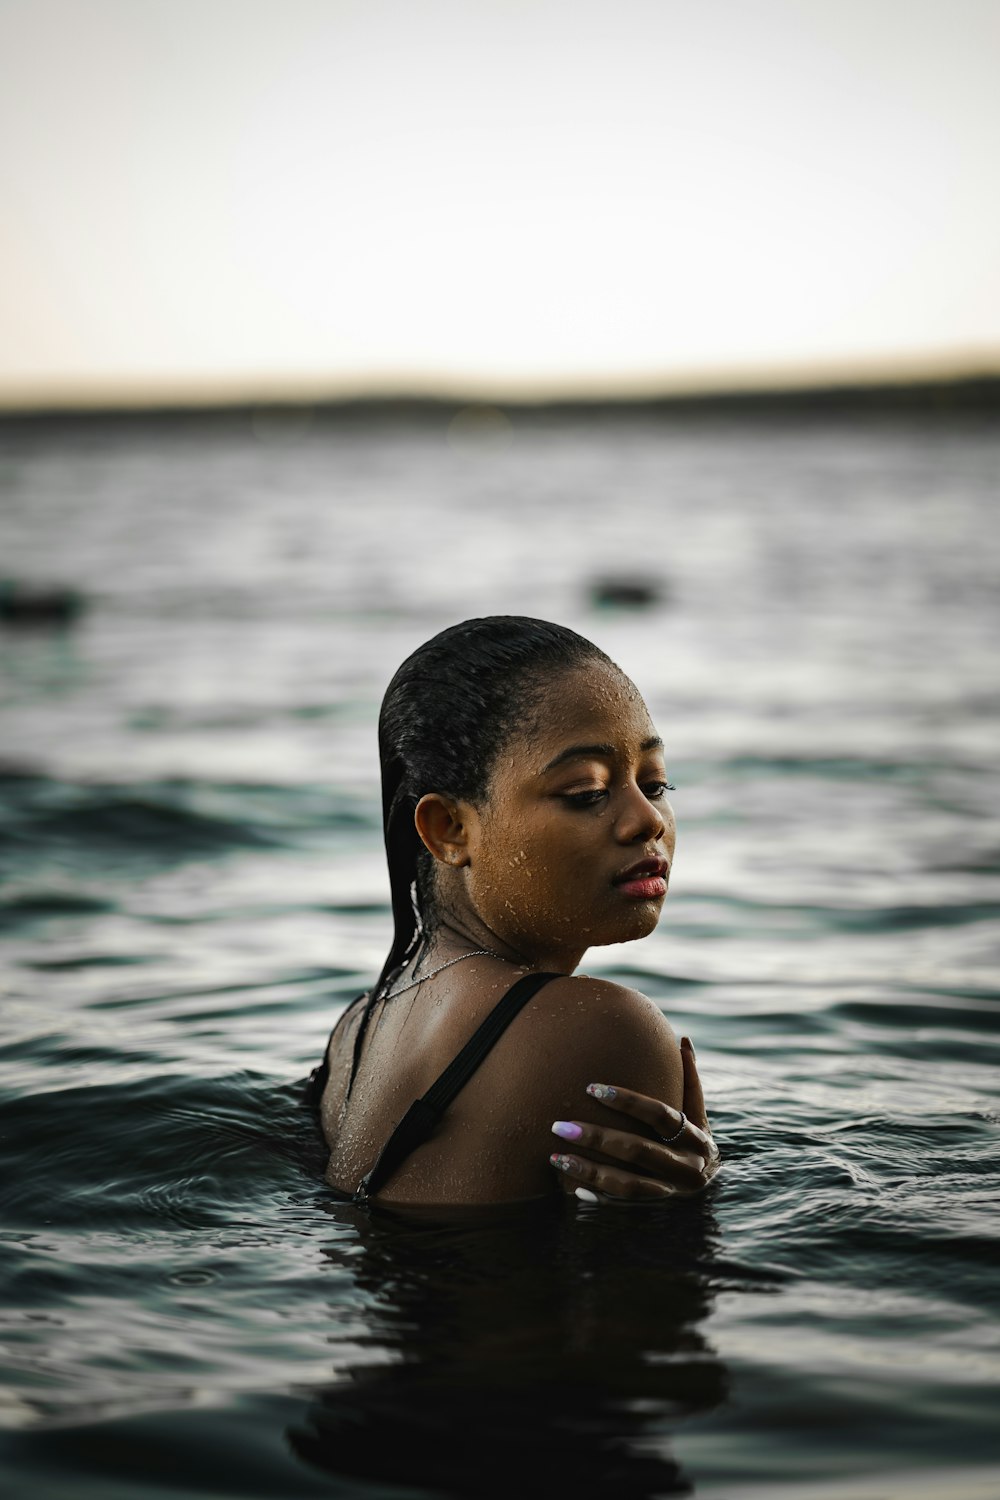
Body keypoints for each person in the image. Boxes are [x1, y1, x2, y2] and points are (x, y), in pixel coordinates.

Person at [308, 616, 719, 1207]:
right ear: (450, 829)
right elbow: (647, 1294)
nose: (647, 821)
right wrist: (697, 1201)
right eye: (588, 793)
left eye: (654, 784)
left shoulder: (358, 1026)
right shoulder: (600, 1026)